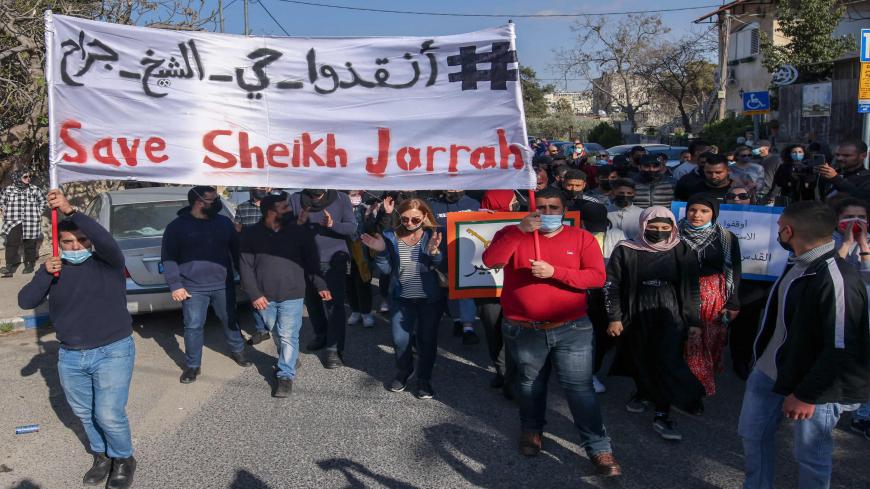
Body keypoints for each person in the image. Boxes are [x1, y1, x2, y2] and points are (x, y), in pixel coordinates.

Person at [481, 187, 621, 477]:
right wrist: (519, 231)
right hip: (523, 328)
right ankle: (532, 430)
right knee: (531, 384)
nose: (546, 214)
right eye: (540, 207)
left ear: (564, 211)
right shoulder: (511, 232)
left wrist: (554, 272)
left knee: (579, 390)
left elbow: (596, 277)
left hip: (572, 328)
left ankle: (598, 448)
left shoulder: (580, 237)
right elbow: (491, 261)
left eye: (553, 208)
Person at [738, 201, 870, 489]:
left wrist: (808, 395)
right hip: (768, 373)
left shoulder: (836, 278)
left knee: (811, 455)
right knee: (753, 435)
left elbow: (841, 347)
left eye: (778, 227)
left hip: (814, 387)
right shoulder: (798, 265)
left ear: (788, 230)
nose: (777, 232)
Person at [19, 189, 137, 489]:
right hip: (72, 355)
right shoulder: (54, 270)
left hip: (113, 350)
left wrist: (71, 210)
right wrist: (45, 273)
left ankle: (123, 458)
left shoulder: (107, 263)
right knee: (85, 414)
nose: (76, 246)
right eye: (68, 242)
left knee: (108, 413)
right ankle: (102, 456)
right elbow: (25, 300)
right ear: (59, 244)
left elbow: (106, 241)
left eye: (82, 241)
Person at [604, 206, 705, 441]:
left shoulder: (682, 248)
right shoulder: (626, 249)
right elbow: (612, 285)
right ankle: (642, 391)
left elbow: (691, 288)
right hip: (635, 309)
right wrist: (614, 317)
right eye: (653, 227)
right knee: (639, 355)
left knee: (667, 359)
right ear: (643, 225)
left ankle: (663, 411)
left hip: (669, 311)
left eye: (664, 227)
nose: (658, 231)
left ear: (672, 227)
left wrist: (693, 321)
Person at [239, 193, 331, 397]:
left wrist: (320, 284)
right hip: (264, 297)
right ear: (271, 212)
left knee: (288, 334)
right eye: (284, 207)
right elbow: (245, 267)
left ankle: (285, 375)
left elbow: (311, 260)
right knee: (276, 331)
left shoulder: (299, 232)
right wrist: (254, 294)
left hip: (293, 294)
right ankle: (289, 357)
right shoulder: (250, 234)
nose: (290, 211)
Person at [162, 186, 252, 383]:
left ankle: (238, 351)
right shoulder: (176, 227)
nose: (217, 203)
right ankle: (193, 366)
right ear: (198, 202)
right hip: (193, 287)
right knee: (193, 326)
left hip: (223, 283)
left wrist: (245, 278)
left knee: (230, 319)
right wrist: (175, 285)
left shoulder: (223, 222)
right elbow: (168, 258)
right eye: (213, 200)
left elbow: (236, 252)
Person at [361, 199, 445, 399]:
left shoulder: (433, 235)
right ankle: (404, 371)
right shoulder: (391, 236)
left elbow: (441, 264)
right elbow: (387, 270)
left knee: (427, 340)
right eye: (405, 218)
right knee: (400, 341)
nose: (409, 222)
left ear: (424, 216)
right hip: (401, 298)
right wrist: (380, 253)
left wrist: (434, 252)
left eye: (415, 218)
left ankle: (424, 379)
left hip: (429, 300)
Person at [678, 194, 741, 402]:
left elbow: (734, 270)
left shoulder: (726, 237)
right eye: (692, 210)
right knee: (682, 341)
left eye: (704, 211)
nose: (697, 215)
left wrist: (733, 302)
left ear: (714, 213)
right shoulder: (674, 234)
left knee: (706, 342)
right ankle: (677, 384)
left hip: (712, 296)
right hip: (680, 293)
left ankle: (697, 390)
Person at [289, 189, 357, 368]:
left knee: (334, 305)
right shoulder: (296, 199)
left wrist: (333, 224)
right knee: (312, 302)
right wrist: (298, 224)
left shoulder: (341, 198)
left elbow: (352, 227)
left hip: (334, 260)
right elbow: (287, 227)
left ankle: (334, 349)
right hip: (305, 260)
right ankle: (321, 335)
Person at [829, 198, 870, 439]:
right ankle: (834, 407)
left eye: (861, 217)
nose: (856, 222)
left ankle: (864, 415)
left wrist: (863, 245)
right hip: (838, 312)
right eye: (850, 217)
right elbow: (829, 272)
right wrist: (846, 244)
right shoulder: (829, 241)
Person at [428, 190, 481, 344]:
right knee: (448, 289)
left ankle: (468, 327)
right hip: (441, 256)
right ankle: (457, 319)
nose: (453, 188)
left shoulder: (473, 203)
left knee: (465, 292)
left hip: (466, 256)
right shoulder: (433, 205)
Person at [233, 187, 273, 345]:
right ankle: (262, 330)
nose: (260, 190)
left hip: (271, 259)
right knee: (253, 293)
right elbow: (237, 231)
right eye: (257, 187)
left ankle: (275, 327)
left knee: (273, 293)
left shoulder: (274, 206)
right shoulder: (242, 208)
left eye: (263, 187)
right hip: (251, 259)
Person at [0, 170, 46, 277]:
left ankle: (29, 265)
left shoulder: (35, 189)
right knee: (11, 243)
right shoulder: (8, 190)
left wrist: (38, 212)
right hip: (13, 221)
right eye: (25, 177)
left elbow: (43, 201)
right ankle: (9, 267)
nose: (28, 178)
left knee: (30, 243)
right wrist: (3, 209)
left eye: (29, 176)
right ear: (17, 177)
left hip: (30, 220)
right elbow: (1, 201)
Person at [346, 190, 376, 328]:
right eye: (352, 194)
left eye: (357, 194)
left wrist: (370, 216)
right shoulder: (340, 207)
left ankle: (366, 312)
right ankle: (355, 310)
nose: (355, 197)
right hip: (345, 251)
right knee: (349, 283)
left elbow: (372, 229)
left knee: (363, 282)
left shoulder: (365, 208)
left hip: (363, 252)